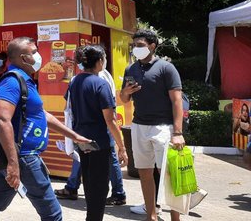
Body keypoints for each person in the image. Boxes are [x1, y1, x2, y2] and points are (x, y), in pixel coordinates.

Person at [0, 37, 91, 221]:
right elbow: (2, 119)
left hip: (19, 158)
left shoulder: (25, 81)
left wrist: (74, 135)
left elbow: (42, 115)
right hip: (24, 158)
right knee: (53, 214)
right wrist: (13, 164)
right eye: (34, 52)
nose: (38, 56)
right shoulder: (12, 82)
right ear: (24, 58)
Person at [120, 29, 184, 221]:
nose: (136, 49)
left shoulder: (166, 68)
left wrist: (178, 132)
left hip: (164, 128)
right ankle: (152, 216)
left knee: (169, 175)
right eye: (134, 46)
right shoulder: (130, 69)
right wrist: (126, 91)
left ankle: (175, 218)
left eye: (140, 46)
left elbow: (177, 101)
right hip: (139, 126)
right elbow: (124, 99)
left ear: (152, 46)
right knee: (144, 173)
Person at [63, 45, 128, 221]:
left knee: (90, 182)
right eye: (104, 58)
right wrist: (121, 147)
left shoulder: (75, 81)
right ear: (99, 62)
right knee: (99, 186)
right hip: (100, 141)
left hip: (81, 139)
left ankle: (91, 217)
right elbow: (110, 120)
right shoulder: (101, 84)